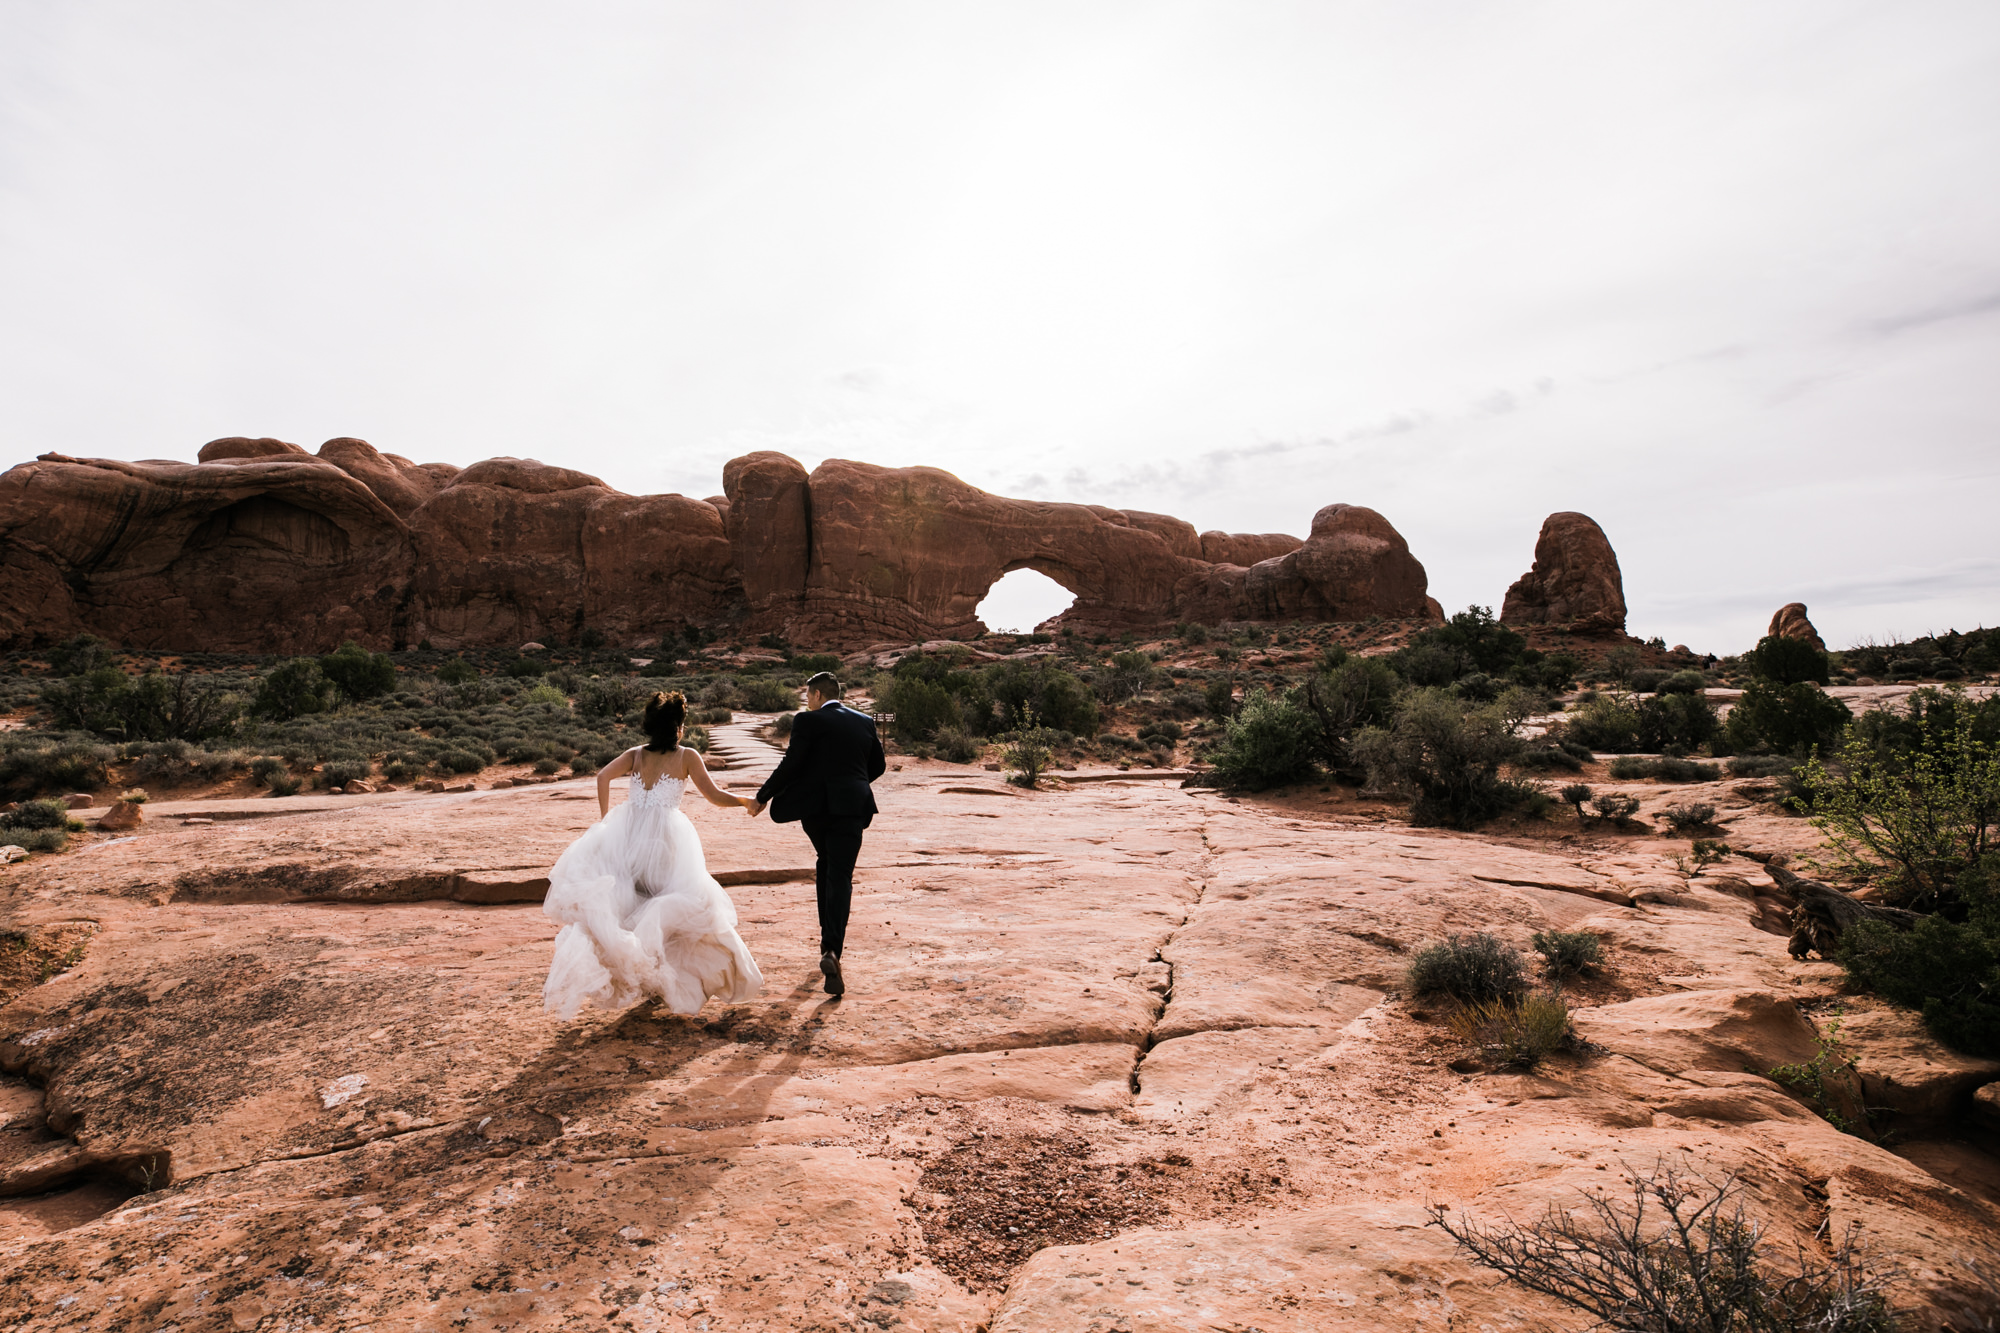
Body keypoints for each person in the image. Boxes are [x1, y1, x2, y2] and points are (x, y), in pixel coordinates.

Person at [541, 690, 764, 1019]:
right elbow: (714, 796)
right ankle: (669, 979)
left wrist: (605, 821)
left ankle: (647, 976)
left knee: (635, 907)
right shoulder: (687, 756)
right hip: (665, 845)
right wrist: (745, 801)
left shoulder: (636, 754)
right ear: (678, 727)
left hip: (628, 839)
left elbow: (602, 776)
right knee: (679, 909)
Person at [750, 671, 886, 996]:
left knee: (825, 865)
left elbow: (791, 764)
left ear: (817, 695)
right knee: (840, 875)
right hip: (852, 808)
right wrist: (852, 782)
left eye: (807, 696)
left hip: (816, 812)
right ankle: (832, 950)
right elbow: (878, 766)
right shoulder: (865, 722)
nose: (806, 702)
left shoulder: (807, 722)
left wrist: (762, 796)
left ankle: (828, 946)